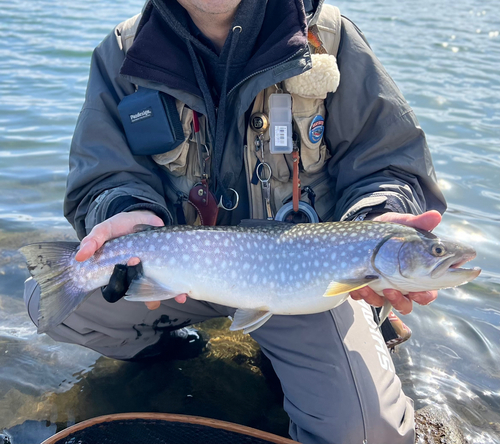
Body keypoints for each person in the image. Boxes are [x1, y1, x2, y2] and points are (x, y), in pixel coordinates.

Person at [24, 0, 447, 442]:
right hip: (177, 271)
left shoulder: (332, 38)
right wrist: (123, 210)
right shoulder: (123, 51)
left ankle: (292, 356)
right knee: (51, 295)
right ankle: (169, 349)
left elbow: (386, 163)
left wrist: (376, 220)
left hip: (302, 285)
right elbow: (104, 173)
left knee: (369, 435)